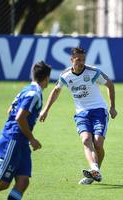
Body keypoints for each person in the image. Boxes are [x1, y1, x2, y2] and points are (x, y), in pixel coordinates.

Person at [0, 61, 51, 199]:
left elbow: (10, 110)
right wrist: (32, 138)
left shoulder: (26, 89)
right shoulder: (34, 94)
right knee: (2, 183)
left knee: (23, 181)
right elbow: (19, 117)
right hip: (13, 140)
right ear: (47, 78)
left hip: (21, 142)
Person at [39, 47, 117, 185]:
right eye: (78, 60)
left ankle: (95, 170)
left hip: (99, 110)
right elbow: (56, 91)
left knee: (98, 143)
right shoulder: (65, 75)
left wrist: (112, 107)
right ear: (71, 60)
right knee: (86, 140)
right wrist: (46, 110)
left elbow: (109, 84)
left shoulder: (93, 72)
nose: (81, 63)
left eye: (83, 60)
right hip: (81, 113)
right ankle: (94, 169)